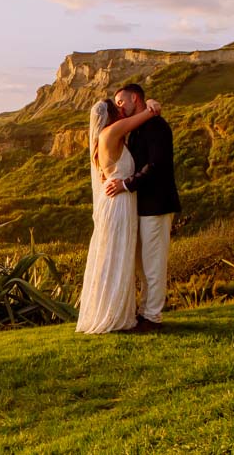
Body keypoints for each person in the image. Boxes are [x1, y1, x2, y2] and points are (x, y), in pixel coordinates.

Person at [76, 97, 161, 334]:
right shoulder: (113, 131)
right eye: (120, 108)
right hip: (119, 203)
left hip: (117, 200)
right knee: (116, 255)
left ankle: (112, 311)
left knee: (114, 255)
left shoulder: (105, 137)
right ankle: (112, 314)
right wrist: (152, 104)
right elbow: (147, 114)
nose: (124, 110)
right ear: (113, 115)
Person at [105, 84, 181, 332]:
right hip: (142, 206)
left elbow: (155, 165)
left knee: (153, 263)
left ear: (134, 98)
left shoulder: (156, 126)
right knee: (142, 264)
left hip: (157, 205)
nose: (119, 107)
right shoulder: (138, 127)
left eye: (121, 101)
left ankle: (153, 317)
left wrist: (127, 184)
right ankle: (144, 312)